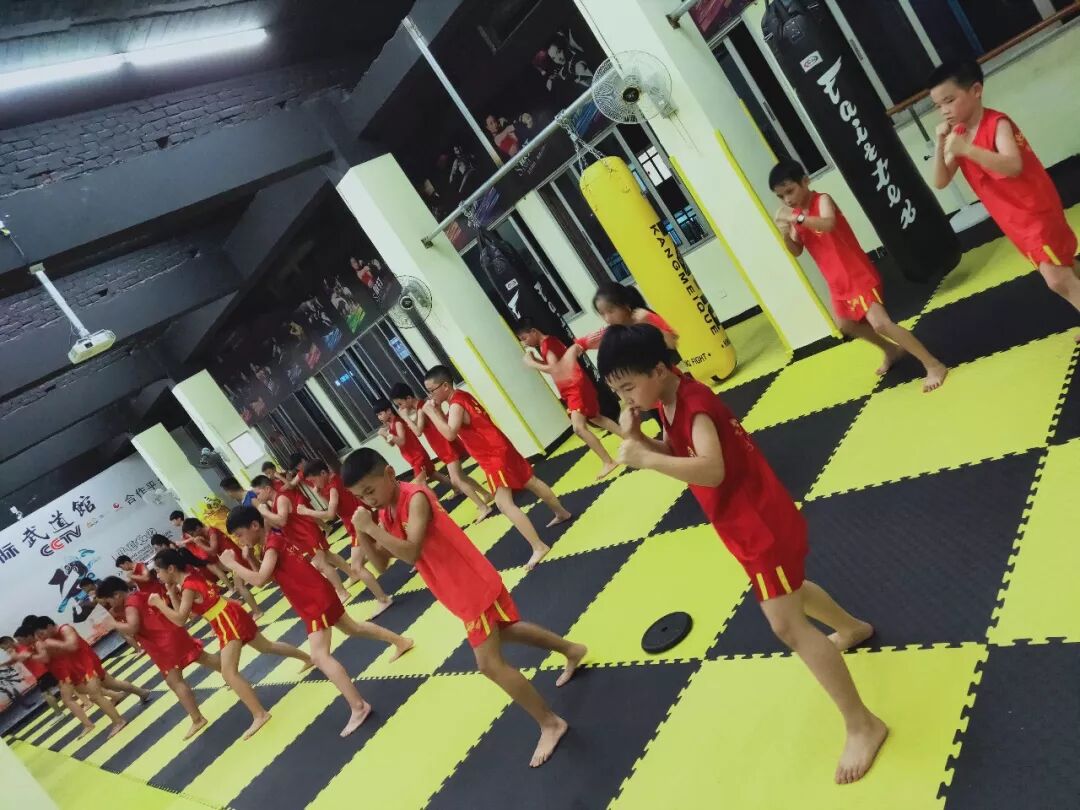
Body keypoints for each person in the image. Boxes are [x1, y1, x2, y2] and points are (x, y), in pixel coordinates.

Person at [593, 324, 887, 784]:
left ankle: (863, 725)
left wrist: (646, 460)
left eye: (628, 387)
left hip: (758, 526)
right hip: (747, 522)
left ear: (658, 369)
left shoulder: (694, 404)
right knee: (792, 590)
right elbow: (679, 450)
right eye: (618, 392)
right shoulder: (668, 398)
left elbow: (710, 470)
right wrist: (644, 441)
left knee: (787, 625)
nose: (625, 398)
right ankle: (852, 628)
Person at [341, 449, 586, 766]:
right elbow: (382, 564)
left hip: (470, 585)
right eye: (361, 497)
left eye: (370, 490)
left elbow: (411, 552)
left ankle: (551, 723)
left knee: (489, 665)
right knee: (507, 631)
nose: (368, 500)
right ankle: (572, 650)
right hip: (456, 589)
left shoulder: (415, 498)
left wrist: (372, 529)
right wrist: (363, 532)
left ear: (389, 473)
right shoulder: (386, 511)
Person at [222, 506, 415, 737]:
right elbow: (268, 574)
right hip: (316, 595)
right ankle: (401, 641)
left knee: (319, 656)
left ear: (254, 526)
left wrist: (233, 565)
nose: (239, 540)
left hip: (314, 601)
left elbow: (260, 580)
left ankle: (359, 706)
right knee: (353, 628)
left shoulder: (272, 544)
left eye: (239, 534)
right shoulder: (270, 543)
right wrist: (249, 558)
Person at [928, 60, 1079, 340]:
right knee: (1064, 266)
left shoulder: (997, 123)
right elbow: (940, 181)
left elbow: (1013, 165)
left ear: (976, 91)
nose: (944, 110)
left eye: (949, 101)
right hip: (1012, 219)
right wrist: (940, 145)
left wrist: (967, 150)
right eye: (938, 106)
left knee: (1056, 277)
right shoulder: (958, 135)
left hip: (1035, 210)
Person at [770, 159, 948, 392]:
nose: (787, 200)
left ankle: (933, 365)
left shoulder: (822, 200)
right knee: (846, 325)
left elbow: (828, 224)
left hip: (856, 274)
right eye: (781, 197)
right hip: (837, 282)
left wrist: (797, 219)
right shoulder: (796, 216)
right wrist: (785, 233)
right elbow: (796, 251)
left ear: (805, 181)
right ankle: (891, 350)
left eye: (790, 191)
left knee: (881, 324)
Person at [421, 366, 573, 570]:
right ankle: (561, 512)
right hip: (501, 447)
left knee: (503, 504)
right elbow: (454, 424)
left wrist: (430, 412)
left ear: (445, 386)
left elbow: (449, 434)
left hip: (493, 457)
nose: (430, 395)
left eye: (431, 390)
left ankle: (539, 546)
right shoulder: (461, 396)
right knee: (531, 481)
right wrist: (438, 411)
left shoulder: (456, 404)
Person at [151, 546, 311, 740]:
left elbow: (179, 620)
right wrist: (171, 594)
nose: (157, 576)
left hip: (226, 619)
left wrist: (159, 604)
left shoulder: (188, 586)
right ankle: (308, 658)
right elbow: (187, 614)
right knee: (266, 646)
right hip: (228, 613)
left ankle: (260, 714)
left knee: (228, 672)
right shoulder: (189, 580)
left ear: (170, 569)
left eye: (158, 571)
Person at [96, 576, 221, 740]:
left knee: (174, 681)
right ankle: (233, 675)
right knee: (202, 657)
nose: (109, 606)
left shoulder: (130, 605)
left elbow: (132, 628)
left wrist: (113, 625)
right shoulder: (138, 595)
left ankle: (197, 719)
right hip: (173, 632)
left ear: (117, 595)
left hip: (163, 643)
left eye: (108, 602)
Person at [516, 318, 621, 480]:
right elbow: (554, 365)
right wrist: (536, 360)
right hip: (576, 385)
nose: (526, 343)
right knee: (596, 417)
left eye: (525, 338)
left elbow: (555, 369)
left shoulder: (548, 344)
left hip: (575, 388)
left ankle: (608, 462)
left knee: (578, 428)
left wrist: (532, 363)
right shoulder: (547, 343)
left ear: (533, 331)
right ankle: (633, 439)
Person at [300, 460, 394, 619]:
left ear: (323, 473)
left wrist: (307, 512)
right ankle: (418, 557)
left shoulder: (333, 487)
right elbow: (336, 508)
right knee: (380, 549)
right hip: (358, 521)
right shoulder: (333, 481)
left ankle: (383, 599)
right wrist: (319, 493)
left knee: (356, 566)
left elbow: (330, 514)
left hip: (358, 525)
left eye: (314, 480)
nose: (314, 484)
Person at [30, 615, 150, 739]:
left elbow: (73, 646)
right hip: (79, 667)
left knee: (94, 696)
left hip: (88, 664)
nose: (42, 637)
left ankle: (118, 721)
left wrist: (53, 644)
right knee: (113, 684)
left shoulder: (65, 629)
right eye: (39, 636)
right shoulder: (51, 639)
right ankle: (142, 692)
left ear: (49, 626)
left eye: (42, 633)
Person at [390, 383, 494, 520]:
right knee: (461, 477)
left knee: (456, 480)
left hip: (445, 446)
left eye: (400, 404)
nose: (400, 408)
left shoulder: (422, 408)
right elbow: (419, 424)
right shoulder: (421, 407)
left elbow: (418, 431)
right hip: (442, 446)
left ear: (409, 398)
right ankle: (486, 494)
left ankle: (483, 507)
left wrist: (405, 417)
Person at [250, 474, 351, 604]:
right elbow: (280, 525)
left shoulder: (281, 499)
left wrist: (265, 512)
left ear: (267, 489)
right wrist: (266, 516)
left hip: (307, 533)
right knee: (329, 556)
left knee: (321, 563)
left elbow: (282, 520)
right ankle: (353, 574)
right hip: (301, 536)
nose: (257, 497)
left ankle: (342, 592)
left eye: (258, 493)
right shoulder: (275, 502)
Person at [181, 518, 263, 620]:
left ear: (197, 528)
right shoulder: (207, 534)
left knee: (240, 586)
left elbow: (213, 551)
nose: (193, 536)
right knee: (241, 585)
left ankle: (257, 612)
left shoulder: (212, 532)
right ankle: (255, 611)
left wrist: (200, 544)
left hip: (235, 558)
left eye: (192, 533)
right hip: (233, 558)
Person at [575, 283, 680, 353]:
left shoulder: (645, 317)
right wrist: (584, 344)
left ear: (626, 305)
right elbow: (578, 344)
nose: (607, 319)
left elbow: (673, 344)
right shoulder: (610, 332)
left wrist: (649, 322)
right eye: (602, 314)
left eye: (611, 311)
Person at [374, 399, 454, 490]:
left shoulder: (398, 423)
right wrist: (384, 435)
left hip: (418, 458)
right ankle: (457, 488)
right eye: (377, 415)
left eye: (380, 414)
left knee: (421, 484)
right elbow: (392, 443)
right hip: (415, 457)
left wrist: (386, 434)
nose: (379, 417)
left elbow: (401, 442)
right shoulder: (391, 425)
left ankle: (437, 499)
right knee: (433, 475)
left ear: (388, 411)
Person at [1, 632, 63, 715]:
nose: (5, 650)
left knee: (46, 694)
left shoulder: (21, 647)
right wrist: (2, 665)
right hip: (42, 672)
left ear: (8, 643)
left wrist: (11, 653)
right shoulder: (18, 649)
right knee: (61, 686)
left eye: (4, 648)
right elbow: (13, 660)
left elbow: (21, 658)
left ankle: (59, 713)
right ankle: (71, 701)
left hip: (42, 672)